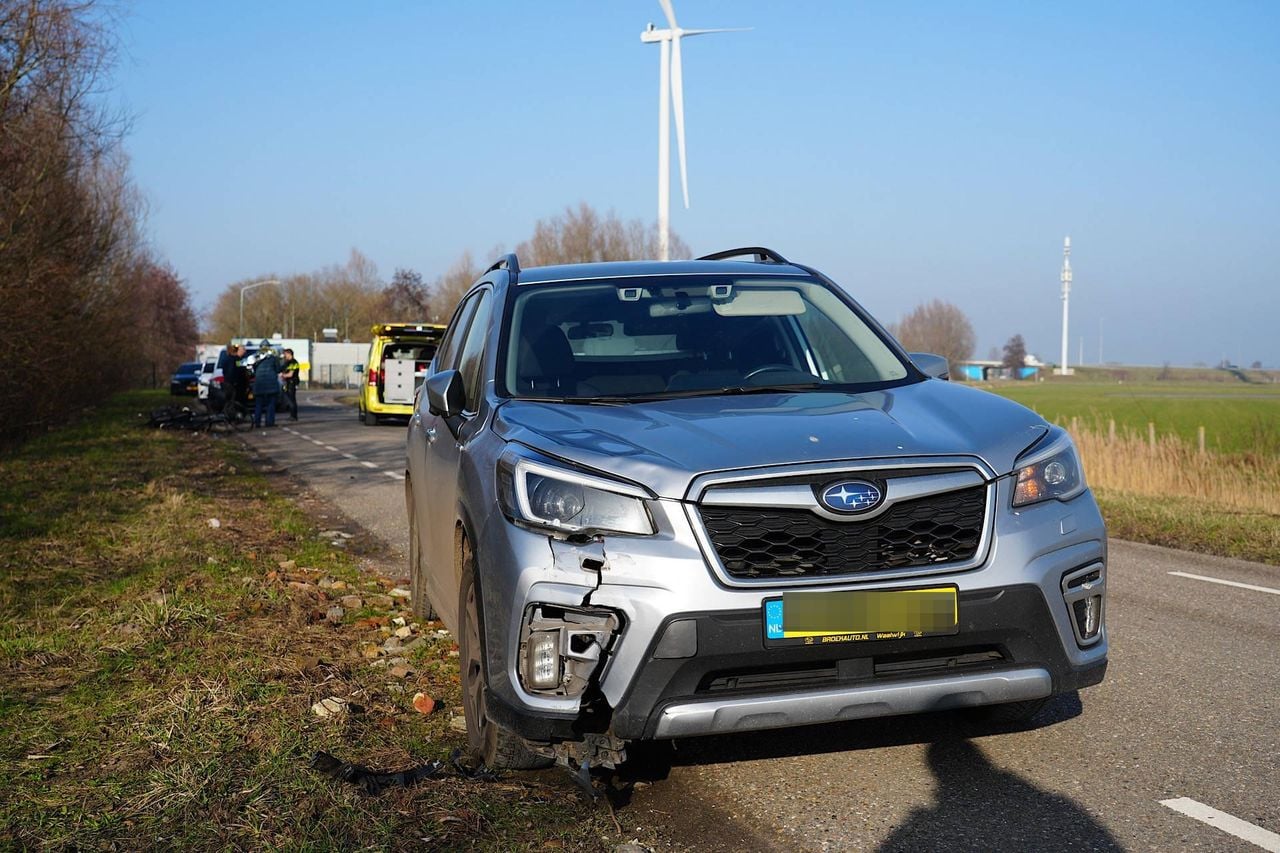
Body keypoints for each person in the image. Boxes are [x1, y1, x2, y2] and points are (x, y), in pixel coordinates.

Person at [251, 341, 282, 428]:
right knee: (271, 405)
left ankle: (257, 422)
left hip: (259, 384)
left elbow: (252, 368)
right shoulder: (273, 358)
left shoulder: (255, 357)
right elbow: (278, 369)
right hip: (271, 384)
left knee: (259, 405)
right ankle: (269, 422)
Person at [279, 348, 300, 421]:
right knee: (289, 399)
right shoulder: (287, 362)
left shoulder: (294, 363)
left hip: (292, 382)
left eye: (285, 354)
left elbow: (291, 374)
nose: (284, 356)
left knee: (291, 399)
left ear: (289, 354)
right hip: (287, 382)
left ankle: (293, 416)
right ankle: (292, 415)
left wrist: (282, 375)